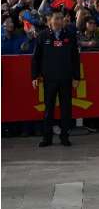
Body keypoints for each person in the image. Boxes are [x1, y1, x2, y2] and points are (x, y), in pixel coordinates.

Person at [31, 10, 79, 147]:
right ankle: (47, 138)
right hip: (49, 79)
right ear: (50, 20)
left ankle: (65, 137)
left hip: (66, 78)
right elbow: (36, 58)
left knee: (66, 109)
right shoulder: (43, 36)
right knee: (48, 109)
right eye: (56, 18)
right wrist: (35, 76)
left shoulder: (70, 36)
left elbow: (75, 58)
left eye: (61, 18)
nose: (59, 21)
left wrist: (76, 77)